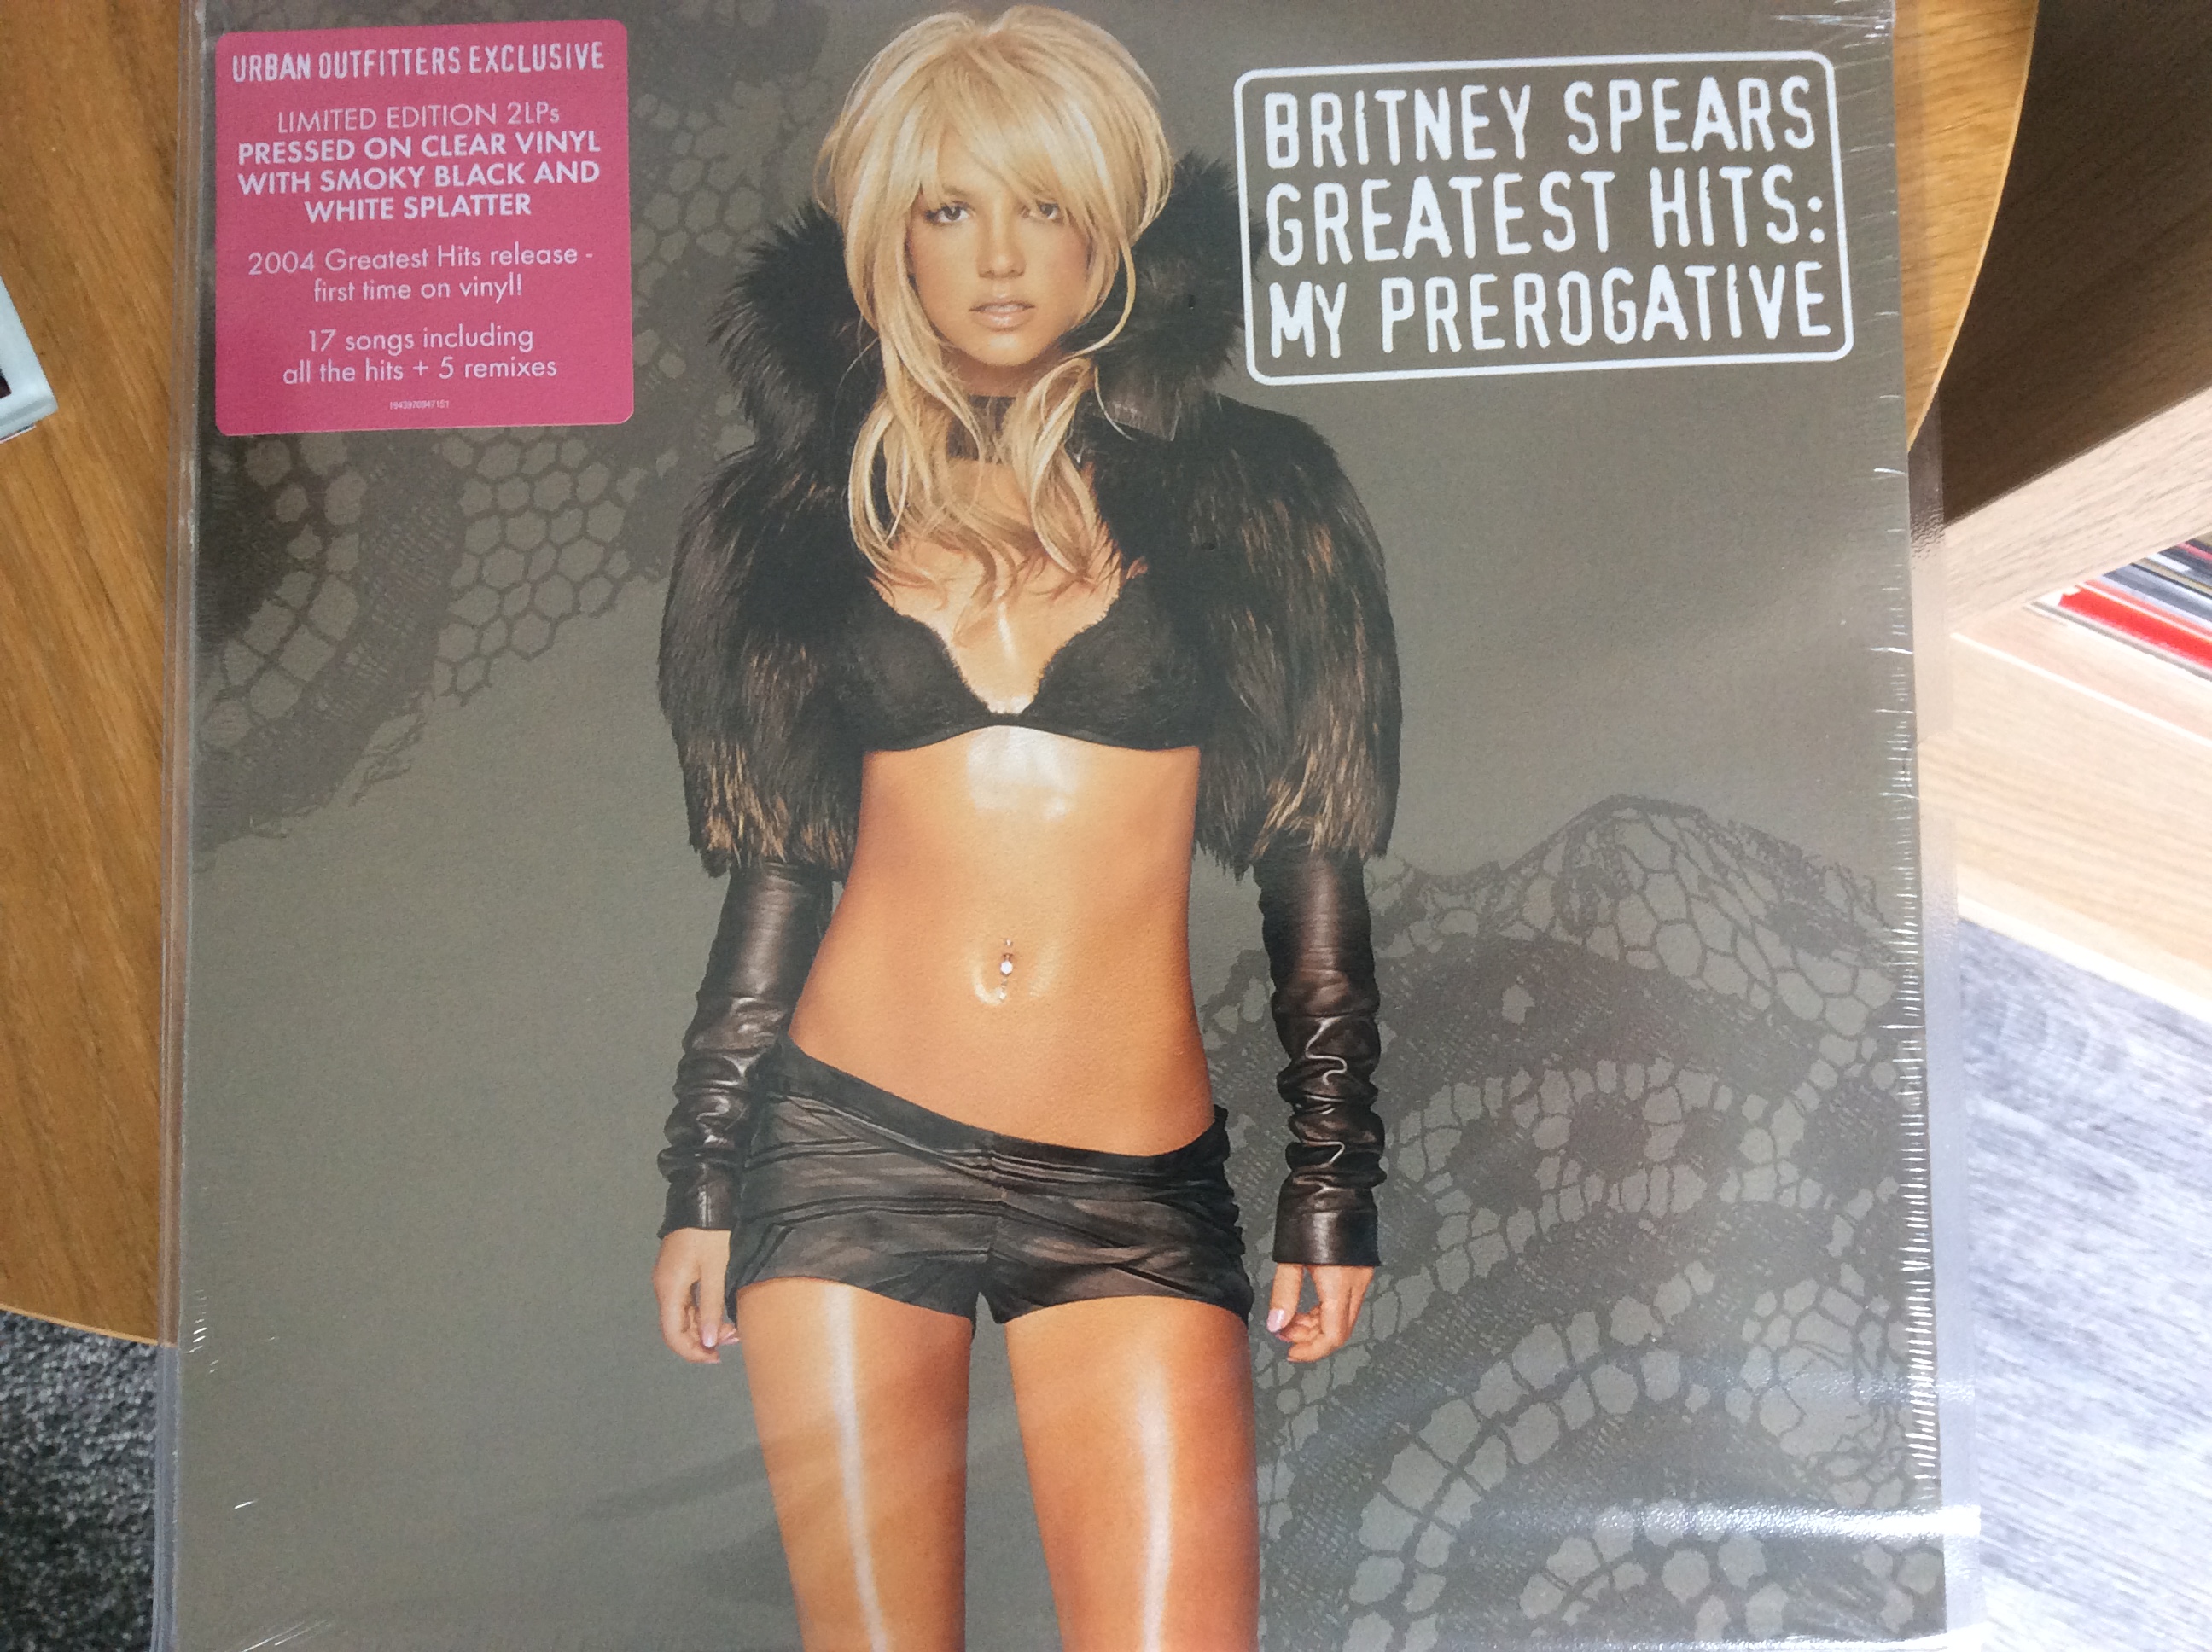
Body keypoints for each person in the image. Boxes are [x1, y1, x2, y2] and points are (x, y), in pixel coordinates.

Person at [650, 9, 1400, 1648]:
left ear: (1113, 229)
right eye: (950, 209)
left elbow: (1312, 854)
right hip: (843, 1146)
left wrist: (1331, 1181)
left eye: (1045, 206)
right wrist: (704, 1172)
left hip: (1128, 1183)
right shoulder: (793, 518)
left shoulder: (1257, 496)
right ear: (889, 238)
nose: (999, 259)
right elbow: (781, 867)